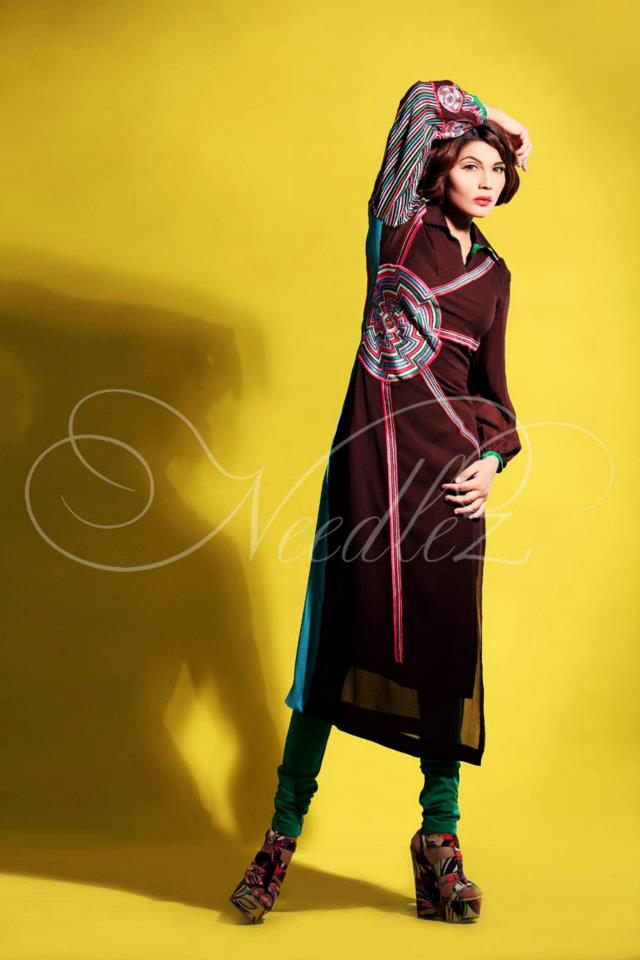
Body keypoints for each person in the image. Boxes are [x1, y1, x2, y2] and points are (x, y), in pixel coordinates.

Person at [230, 78, 531, 924]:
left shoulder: (496, 276)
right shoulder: (398, 229)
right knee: (332, 655)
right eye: (470, 164)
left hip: (450, 491)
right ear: (438, 170)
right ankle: (279, 840)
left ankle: (440, 845)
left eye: (497, 168)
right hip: (370, 473)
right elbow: (418, 103)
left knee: (445, 660)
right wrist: (495, 116)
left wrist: (493, 461)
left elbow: (494, 393)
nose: (486, 178)